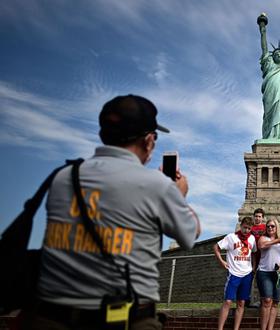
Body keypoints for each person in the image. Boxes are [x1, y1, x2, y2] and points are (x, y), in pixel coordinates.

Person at [23, 94, 201, 329]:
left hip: (49, 318)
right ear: (149, 141)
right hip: (122, 319)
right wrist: (178, 194)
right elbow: (189, 235)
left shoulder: (63, 177)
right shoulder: (156, 185)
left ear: (103, 134)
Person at [214, 217, 257, 330]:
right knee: (228, 301)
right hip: (233, 273)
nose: (246, 230)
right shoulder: (231, 237)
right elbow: (216, 247)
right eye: (245, 227)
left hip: (247, 274)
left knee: (241, 303)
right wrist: (221, 261)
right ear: (241, 225)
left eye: (249, 228)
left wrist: (254, 266)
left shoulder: (252, 238)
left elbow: (253, 253)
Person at [256, 219, 280, 330]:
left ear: (276, 227)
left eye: (273, 226)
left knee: (275, 302)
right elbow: (262, 246)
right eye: (268, 226)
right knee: (267, 300)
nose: (270, 228)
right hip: (264, 273)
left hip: (278, 273)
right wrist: (277, 240)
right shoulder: (263, 238)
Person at [248, 208, 266, 308]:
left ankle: (260, 300)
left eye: (259, 216)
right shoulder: (250, 228)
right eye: (256, 216)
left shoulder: (265, 228)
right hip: (251, 256)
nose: (257, 218)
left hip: (263, 257)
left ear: (262, 218)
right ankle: (249, 300)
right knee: (250, 279)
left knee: (261, 280)